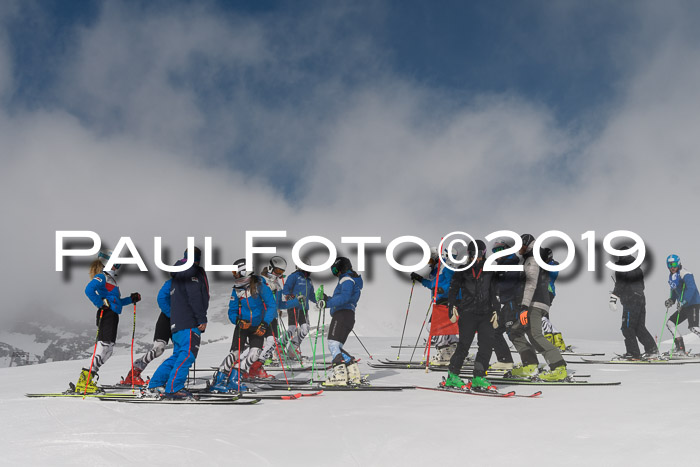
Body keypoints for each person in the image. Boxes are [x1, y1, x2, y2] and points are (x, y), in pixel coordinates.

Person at [75, 248, 141, 393]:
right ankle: (84, 381)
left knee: (108, 350)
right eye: (116, 262)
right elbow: (89, 290)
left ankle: (87, 379)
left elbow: (116, 302)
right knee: (103, 346)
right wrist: (101, 303)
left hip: (112, 315)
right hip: (106, 315)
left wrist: (131, 299)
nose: (118, 265)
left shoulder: (111, 279)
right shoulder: (102, 277)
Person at [147, 247, 209, 398]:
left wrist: (173, 315)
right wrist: (201, 318)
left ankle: (156, 383)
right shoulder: (191, 273)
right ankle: (174, 388)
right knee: (188, 355)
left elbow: (162, 298)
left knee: (178, 356)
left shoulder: (175, 277)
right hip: (189, 322)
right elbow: (195, 296)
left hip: (177, 325)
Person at [210, 258, 277, 392]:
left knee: (255, 353)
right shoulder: (237, 290)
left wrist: (264, 324)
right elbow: (232, 310)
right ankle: (219, 379)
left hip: (258, 326)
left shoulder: (260, 286)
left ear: (244, 271)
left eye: (236, 272)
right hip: (243, 326)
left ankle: (235, 378)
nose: (234, 275)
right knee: (235, 353)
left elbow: (271, 306)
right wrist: (238, 321)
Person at [509, 234, 568, 381]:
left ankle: (559, 367)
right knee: (515, 332)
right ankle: (530, 365)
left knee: (535, 335)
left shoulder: (533, 259)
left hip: (534, 303)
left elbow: (531, 284)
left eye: (520, 246)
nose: (518, 250)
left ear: (527, 245)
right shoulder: (529, 258)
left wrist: (524, 306)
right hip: (532, 302)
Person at [442, 240, 499, 391]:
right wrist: (451, 305)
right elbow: (453, 288)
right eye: (473, 255)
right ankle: (452, 376)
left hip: (486, 313)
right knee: (464, 346)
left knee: (486, 345)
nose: (476, 258)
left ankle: (478, 377)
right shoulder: (463, 269)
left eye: (479, 255)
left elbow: (493, 291)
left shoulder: (489, 270)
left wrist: (496, 309)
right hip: (467, 312)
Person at [316, 257, 364, 386]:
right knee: (337, 346)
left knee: (332, 344)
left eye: (335, 270)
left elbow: (345, 298)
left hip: (342, 315)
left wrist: (327, 303)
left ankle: (340, 375)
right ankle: (353, 372)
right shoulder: (351, 280)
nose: (335, 273)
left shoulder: (346, 279)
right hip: (347, 315)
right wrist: (327, 299)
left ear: (341, 268)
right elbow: (342, 298)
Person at [410, 247, 458, 364]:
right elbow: (433, 284)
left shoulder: (447, 268)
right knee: (446, 327)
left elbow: (451, 283)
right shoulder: (439, 269)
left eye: (430, 260)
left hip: (445, 300)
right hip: (441, 300)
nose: (429, 264)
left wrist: (441, 290)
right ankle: (451, 350)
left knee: (434, 327)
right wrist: (421, 279)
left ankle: (444, 353)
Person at [608, 246, 657, 359]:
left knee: (627, 327)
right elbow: (642, 286)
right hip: (641, 299)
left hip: (631, 300)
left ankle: (633, 353)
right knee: (639, 327)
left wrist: (614, 297)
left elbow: (620, 283)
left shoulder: (621, 266)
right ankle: (652, 350)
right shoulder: (637, 268)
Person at [122, 278, 172, 385]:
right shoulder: (172, 282)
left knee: (181, 351)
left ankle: (165, 375)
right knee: (158, 349)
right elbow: (162, 298)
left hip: (181, 321)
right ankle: (134, 373)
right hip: (166, 318)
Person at [490, 238, 520, 371]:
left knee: (514, 333)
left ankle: (531, 361)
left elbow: (509, 284)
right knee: (494, 331)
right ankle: (505, 360)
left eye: (500, 250)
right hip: (504, 305)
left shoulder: (512, 264)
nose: (497, 253)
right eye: (495, 250)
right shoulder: (501, 265)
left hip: (512, 303)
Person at [280, 260, 317, 360]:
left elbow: (312, 295)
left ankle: (292, 349)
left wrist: (319, 301)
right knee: (292, 329)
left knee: (306, 329)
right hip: (294, 306)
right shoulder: (294, 276)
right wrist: (291, 297)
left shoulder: (309, 280)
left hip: (304, 308)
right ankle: (279, 347)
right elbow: (286, 290)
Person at [664, 254, 700, 353]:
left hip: (692, 303)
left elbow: (691, 289)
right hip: (683, 305)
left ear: (679, 263)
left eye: (674, 264)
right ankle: (680, 348)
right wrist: (671, 300)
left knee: (694, 327)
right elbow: (674, 290)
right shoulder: (672, 276)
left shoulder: (686, 274)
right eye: (670, 265)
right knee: (670, 323)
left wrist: (684, 301)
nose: (672, 267)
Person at [541, 247, 568, 353]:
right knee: (544, 316)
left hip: (548, 292)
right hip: (544, 292)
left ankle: (549, 339)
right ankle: (557, 340)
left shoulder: (553, 264)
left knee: (541, 316)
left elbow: (551, 275)